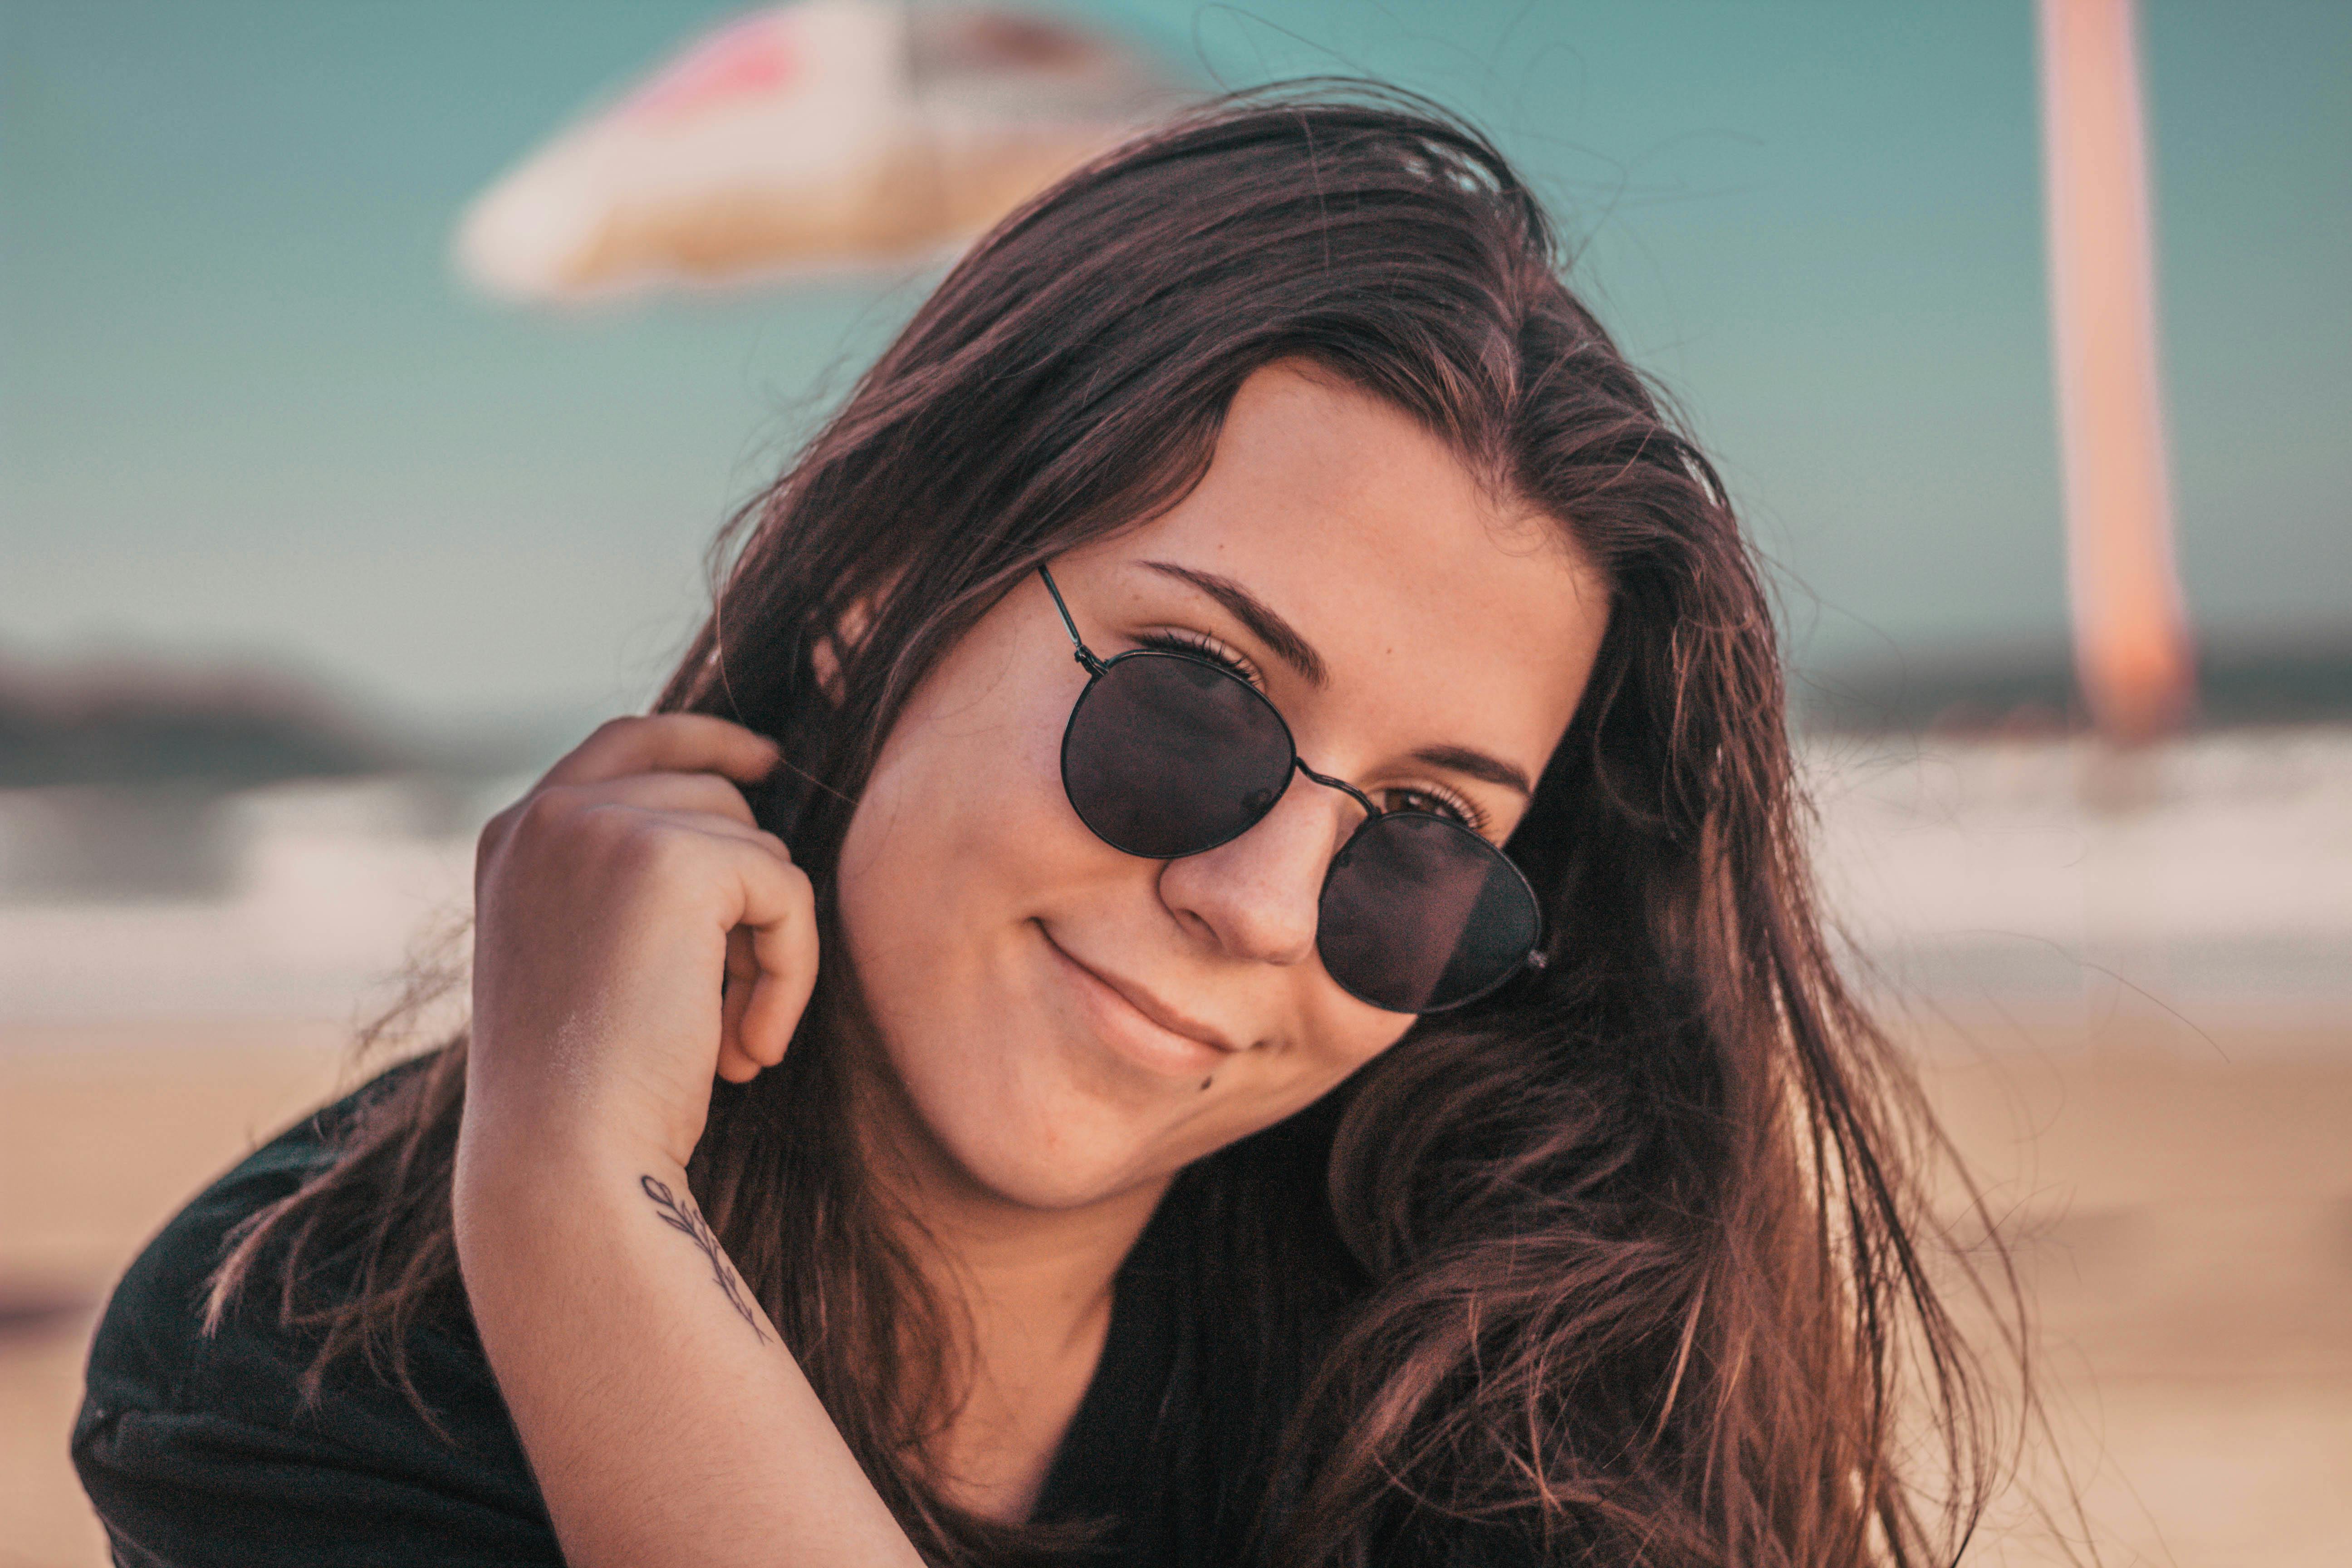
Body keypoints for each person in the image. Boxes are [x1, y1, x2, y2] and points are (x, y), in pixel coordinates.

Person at [75, 88, 2011, 1567]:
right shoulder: (299, 1368)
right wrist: (577, 1202)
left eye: (1421, 832)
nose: (1262, 905)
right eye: (1198, 703)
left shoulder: (1498, 1378)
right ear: (877, 585)